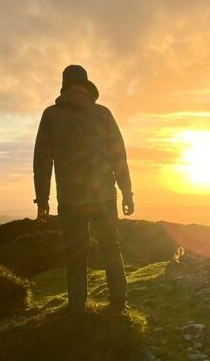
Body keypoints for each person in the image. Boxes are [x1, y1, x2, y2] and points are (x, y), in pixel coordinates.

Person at [33, 64, 134, 313]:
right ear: (87, 86)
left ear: (64, 85)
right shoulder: (103, 114)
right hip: (104, 195)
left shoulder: (51, 115)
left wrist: (42, 199)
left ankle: (77, 306)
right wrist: (127, 192)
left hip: (70, 199)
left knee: (76, 253)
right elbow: (119, 156)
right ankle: (119, 302)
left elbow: (42, 161)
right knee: (112, 247)